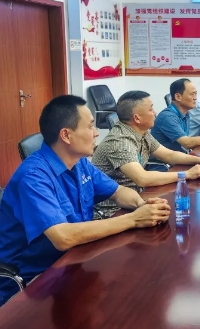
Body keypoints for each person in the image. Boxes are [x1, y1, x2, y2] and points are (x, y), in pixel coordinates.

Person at [0, 95, 170, 307]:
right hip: (31, 281)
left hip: (72, 260)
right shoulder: (34, 177)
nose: (96, 132)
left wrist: (142, 205)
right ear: (66, 135)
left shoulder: (79, 163)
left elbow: (118, 192)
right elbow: (63, 237)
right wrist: (134, 219)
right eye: (90, 126)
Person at [92, 91, 200, 219]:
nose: (155, 113)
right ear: (137, 118)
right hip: (114, 212)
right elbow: (142, 178)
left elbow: (169, 155)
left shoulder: (142, 132)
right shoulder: (120, 142)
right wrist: (186, 174)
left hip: (138, 199)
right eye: (151, 109)